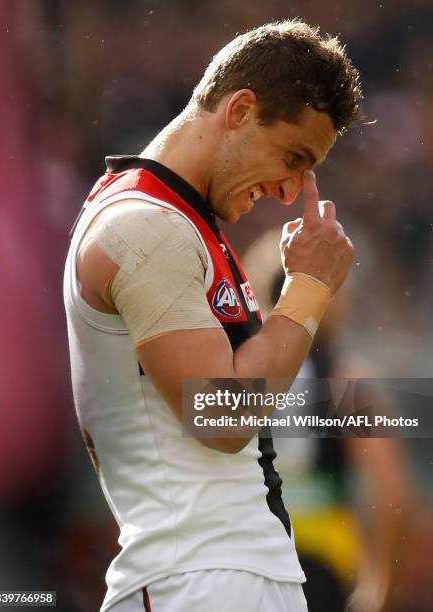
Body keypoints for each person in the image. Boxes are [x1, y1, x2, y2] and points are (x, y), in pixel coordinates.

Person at [64, 19, 362, 612]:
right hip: (198, 577)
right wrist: (309, 287)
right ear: (240, 110)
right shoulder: (146, 226)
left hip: (230, 571)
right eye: (292, 158)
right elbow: (219, 416)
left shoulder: (183, 224)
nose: (288, 192)